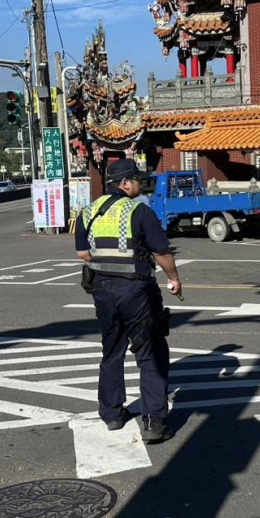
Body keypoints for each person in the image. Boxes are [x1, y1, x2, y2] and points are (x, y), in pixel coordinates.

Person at [75, 158, 181, 443]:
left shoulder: (88, 212)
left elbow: (83, 254)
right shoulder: (139, 211)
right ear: (124, 183)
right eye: (136, 179)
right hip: (137, 291)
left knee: (112, 350)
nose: (139, 184)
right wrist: (173, 278)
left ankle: (111, 413)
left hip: (103, 292)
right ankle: (155, 422)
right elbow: (161, 252)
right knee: (150, 352)